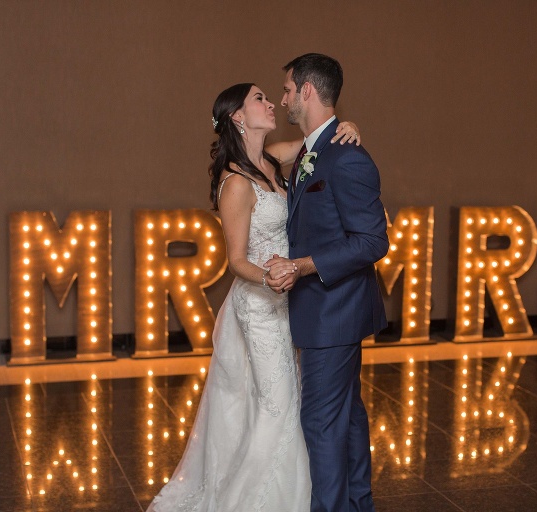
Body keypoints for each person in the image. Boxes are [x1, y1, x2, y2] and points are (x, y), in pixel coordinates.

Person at [147, 82, 361, 512]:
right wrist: (271, 278)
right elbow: (236, 261)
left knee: (287, 405)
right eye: (260, 99)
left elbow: (315, 141)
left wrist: (348, 127)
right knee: (279, 408)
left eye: (270, 96)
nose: (271, 104)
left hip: (288, 302)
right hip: (261, 305)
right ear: (238, 117)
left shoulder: (273, 157)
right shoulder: (236, 182)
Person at [265, 54, 388, 512]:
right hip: (323, 311)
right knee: (347, 419)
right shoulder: (308, 151)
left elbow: (373, 241)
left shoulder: (347, 157)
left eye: (286, 90)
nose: (282, 99)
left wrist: (303, 265)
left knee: (321, 424)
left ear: (307, 92)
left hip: (333, 312)